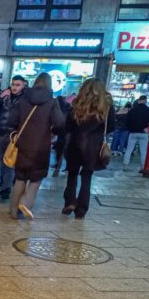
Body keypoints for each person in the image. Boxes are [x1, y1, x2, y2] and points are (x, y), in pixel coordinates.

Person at [7, 73, 65, 220]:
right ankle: (25, 202)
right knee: (36, 178)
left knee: (20, 177)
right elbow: (59, 124)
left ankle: (13, 211)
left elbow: (11, 121)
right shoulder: (52, 102)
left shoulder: (23, 100)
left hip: (22, 145)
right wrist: (53, 132)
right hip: (41, 146)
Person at [63, 78, 115, 219]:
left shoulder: (77, 103)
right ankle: (81, 209)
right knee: (87, 177)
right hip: (94, 146)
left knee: (72, 174)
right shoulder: (107, 106)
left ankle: (70, 201)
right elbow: (110, 127)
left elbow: (68, 126)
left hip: (75, 142)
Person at [123, 95, 149, 171]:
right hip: (144, 133)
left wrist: (130, 129)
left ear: (139, 100)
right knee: (143, 151)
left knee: (129, 149)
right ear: (146, 101)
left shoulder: (132, 110)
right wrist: (148, 128)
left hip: (133, 132)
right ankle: (143, 166)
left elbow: (127, 122)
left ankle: (125, 165)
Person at [51, 95, 73, 177]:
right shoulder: (69, 108)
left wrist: (54, 131)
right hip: (67, 133)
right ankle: (66, 166)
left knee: (60, 149)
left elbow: (58, 122)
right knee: (64, 151)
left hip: (62, 132)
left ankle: (59, 165)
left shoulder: (59, 109)